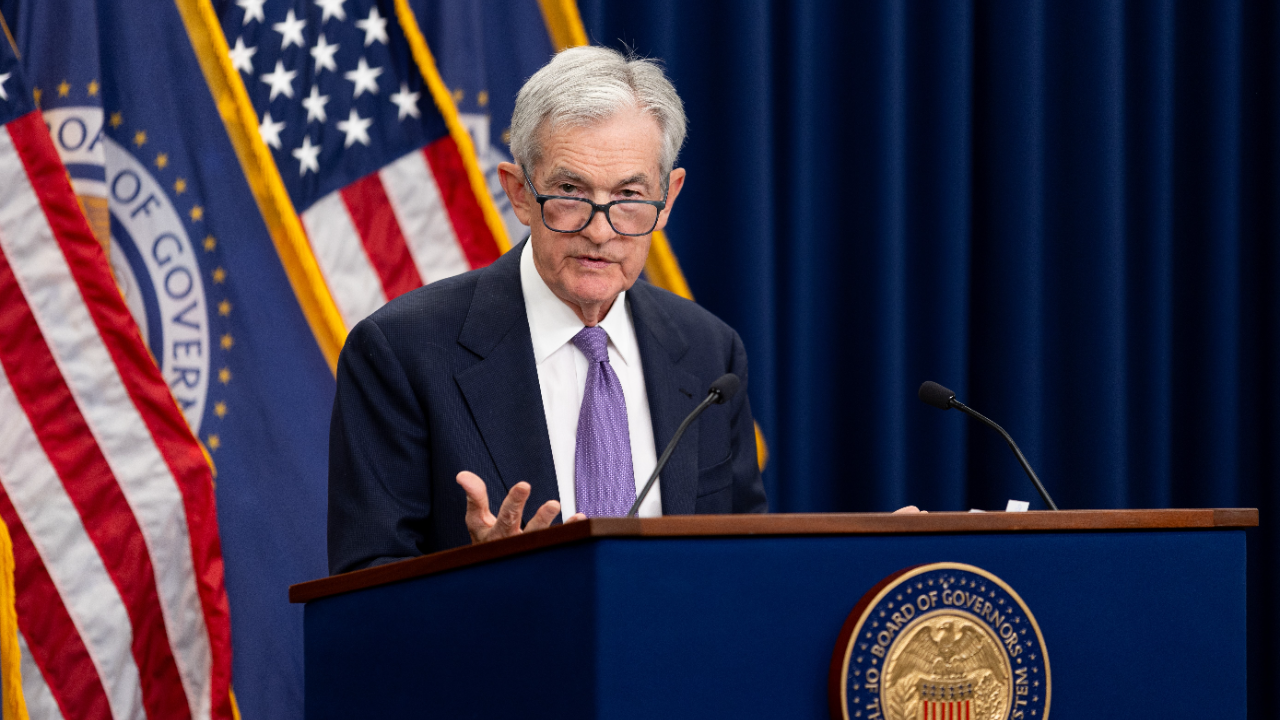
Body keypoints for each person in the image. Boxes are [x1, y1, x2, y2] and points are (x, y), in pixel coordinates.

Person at [326, 46, 767, 575]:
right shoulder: (402, 352)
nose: (599, 231)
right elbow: (364, 584)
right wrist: (483, 577)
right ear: (519, 193)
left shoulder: (709, 351)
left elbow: (747, 561)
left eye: (629, 194)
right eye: (570, 191)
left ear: (667, 199)